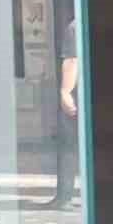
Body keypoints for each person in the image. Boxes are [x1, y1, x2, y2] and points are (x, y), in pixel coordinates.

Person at [43, 17, 79, 209]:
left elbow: (72, 60)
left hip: (80, 96)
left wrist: (65, 92)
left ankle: (64, 197)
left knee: (68, 144)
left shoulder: (75, 26)